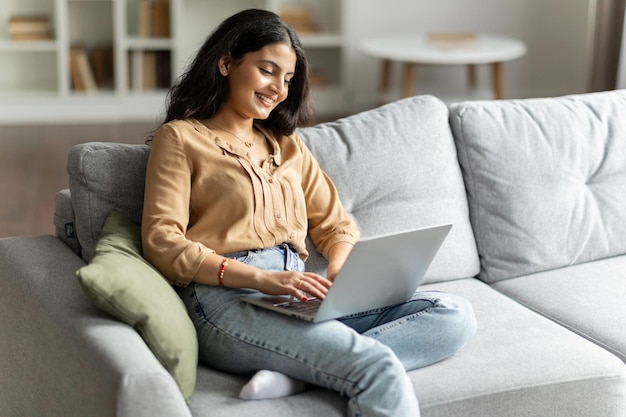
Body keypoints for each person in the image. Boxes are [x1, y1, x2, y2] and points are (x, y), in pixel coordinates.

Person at [141, 9, 476, 417]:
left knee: (453, 314)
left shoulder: (287, 145)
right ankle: (317, 364)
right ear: (227, 62)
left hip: (299, 292)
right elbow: (162, 240)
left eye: (287, 79)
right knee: (377, 365)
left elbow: (335, 224)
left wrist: (340, 272)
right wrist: (262, 278)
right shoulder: (180, 138)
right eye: (268, 71)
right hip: (228, 299)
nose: (278, 89)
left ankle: (298, 372)